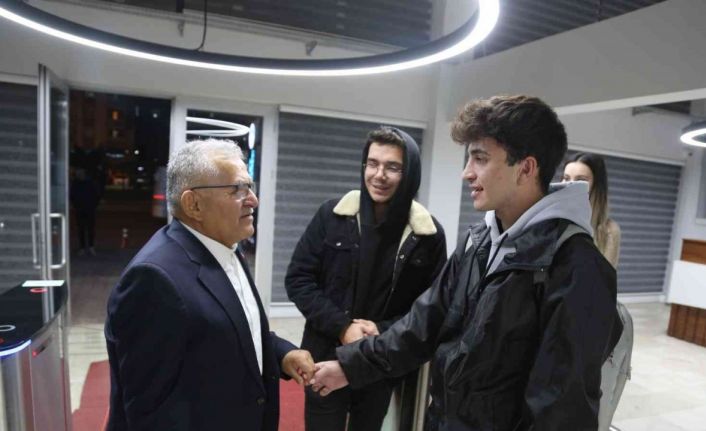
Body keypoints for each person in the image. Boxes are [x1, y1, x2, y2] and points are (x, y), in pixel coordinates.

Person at [311, 95, 623, 430]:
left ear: (526, 168)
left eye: (480, 159)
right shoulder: (479, 241)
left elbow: (562, 410)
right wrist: (351, 367)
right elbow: (422, 325)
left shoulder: (577, 266)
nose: (466, 173)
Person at [105, 139, 315, 431]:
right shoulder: (153, 280)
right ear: (194, 204)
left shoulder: (224, 244)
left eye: (250, 187)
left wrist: (281, 353)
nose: (253, 200)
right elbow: (150, 410)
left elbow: (228, 328)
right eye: (237, 189)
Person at [286, 126, 447, 430]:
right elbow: (299, 280)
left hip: (380, 361)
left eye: (392, 167)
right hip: (325, 356)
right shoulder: (332, 215)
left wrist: (380, 331)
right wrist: (343, 327)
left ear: (410, 174)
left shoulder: (429, 235)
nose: (379, 175)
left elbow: (429, 308)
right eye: (373, 164)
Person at [563, 152, 633, 431]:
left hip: (588, 326)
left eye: (581, 179)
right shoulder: (553, 221)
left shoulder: (608, 231)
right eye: (566, 177)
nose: (571, 184)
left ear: (596, 186)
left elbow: (603, 286)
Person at [70, 168, 100, 255]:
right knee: (81, 229)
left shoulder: (89, 183)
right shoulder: (76, 184)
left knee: (89, 229)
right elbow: (72, 196)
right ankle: (83, 247)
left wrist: (93, 205)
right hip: (81, 209)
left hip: (88, 209)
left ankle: (90, 246)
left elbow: (96, 195)